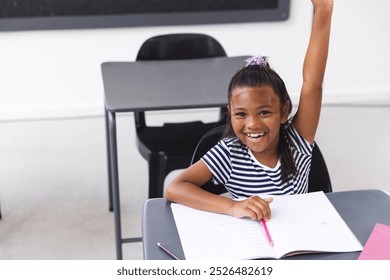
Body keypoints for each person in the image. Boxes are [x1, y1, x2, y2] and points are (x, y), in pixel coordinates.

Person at [165, 0, 334, 222]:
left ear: (284, 111)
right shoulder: (229, 152)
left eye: (264, 112)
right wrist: (233, 206)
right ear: (230, 114)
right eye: (241, 114)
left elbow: (312, 84)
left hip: (296, 241)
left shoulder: (297, 141)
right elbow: (175, 188)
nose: (252, 124)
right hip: (248, 245)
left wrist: (323, 11)